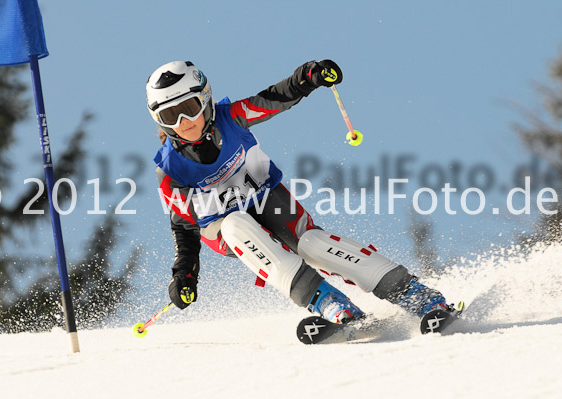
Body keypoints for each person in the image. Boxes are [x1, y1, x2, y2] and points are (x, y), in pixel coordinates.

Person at [148, 60, 453, 326]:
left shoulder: (232, 118)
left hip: (265, 198)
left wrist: (308, 77)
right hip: (221, 226)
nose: (183, 123)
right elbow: (184, 224)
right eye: (169, 116)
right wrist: (185, 273)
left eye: (189, 109)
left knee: (312, 243)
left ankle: (413, 293)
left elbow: (273, 99)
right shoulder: (171, 169)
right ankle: (328, 303)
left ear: (205, 99)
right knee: (235, 225)